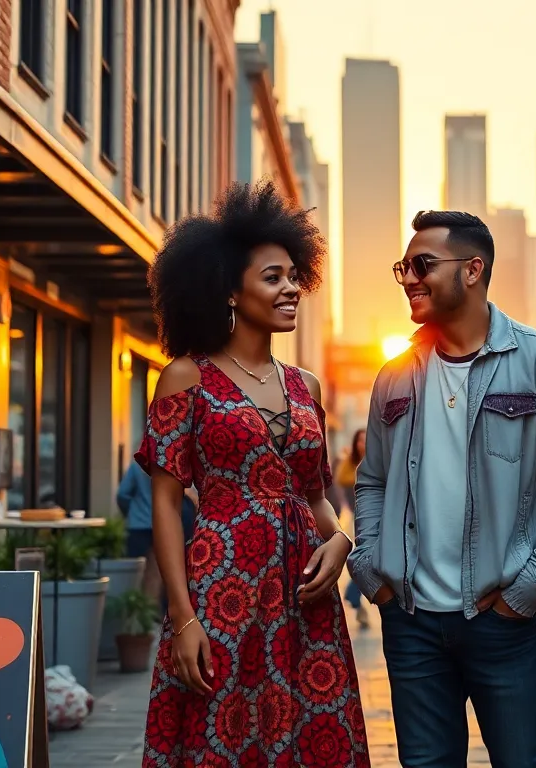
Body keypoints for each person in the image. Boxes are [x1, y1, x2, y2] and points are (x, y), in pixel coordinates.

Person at [348, 210, 536, 767]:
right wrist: (371, 569)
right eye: (404, 268)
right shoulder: (395, 373)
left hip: (501, 621)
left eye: (423, 265)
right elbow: (371, 479)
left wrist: (530, 588)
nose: (410, 279)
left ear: (473, 269)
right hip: (411, 621)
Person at [135, 181, 369, 767]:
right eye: (273, 277)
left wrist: (341, 542)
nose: (291, 288)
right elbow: (166, 504)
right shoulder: (185, 377)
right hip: (224, 589)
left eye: (294, 275)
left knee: (311, 740)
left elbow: (315, 497)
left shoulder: (304, 386)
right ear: (230, 291)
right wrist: (183, 617)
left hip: (305, 602)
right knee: (224, 735)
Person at [116, 459, 197, 614]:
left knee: (136, 576)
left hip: (138, 526)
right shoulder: (173, 466)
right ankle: (154, 614)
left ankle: (134, 616)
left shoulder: (137, 466)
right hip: (163, 526)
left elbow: (122, 494)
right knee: (160, 573)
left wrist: (132, 512)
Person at [337, 428, 368, 627]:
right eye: (360, 441)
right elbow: (341, 487)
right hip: (359, 516)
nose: (363, 444)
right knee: (363, 554)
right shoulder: (349, 466)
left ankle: (352, 593)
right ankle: (354, 595)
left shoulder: (380, 460)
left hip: (380, 514)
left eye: (367, 440)